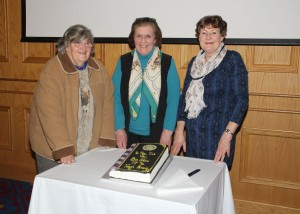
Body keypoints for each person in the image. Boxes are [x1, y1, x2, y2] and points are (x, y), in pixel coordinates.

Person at [29, 24, 115, 173]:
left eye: (87, 43)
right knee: (55, 193)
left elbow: (107, 105)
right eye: (77, 42)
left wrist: (106, 138)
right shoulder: (52, 70)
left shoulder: (99, 69)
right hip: (54, 149)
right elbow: (50, 114)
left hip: (89, 147)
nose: (83, 47)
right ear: (66, 46)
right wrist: (63, 148)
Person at [171, 15, 248, 169]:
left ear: (222, 36)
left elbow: (241, 101)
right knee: (194, 183)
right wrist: (179, 131)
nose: (208, 37)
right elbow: (184, 100)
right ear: (198, 37)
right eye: (203, 33)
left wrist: (227, 136)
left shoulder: (232, 59)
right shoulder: (194, 62)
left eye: (213, 32)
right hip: (194, 138)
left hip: (220, 137)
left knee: (214, 184)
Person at [113, 17, 180, 149]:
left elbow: (173, 100)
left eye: (148, 36)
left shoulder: (167, 62)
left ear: (155, 39)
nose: (143, 41)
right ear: (133, 38)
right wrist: (119, 129)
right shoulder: (123, 62)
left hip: (158, 134)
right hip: (127, 134)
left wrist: (168, 131)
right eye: (139, 36)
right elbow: (116, 99)